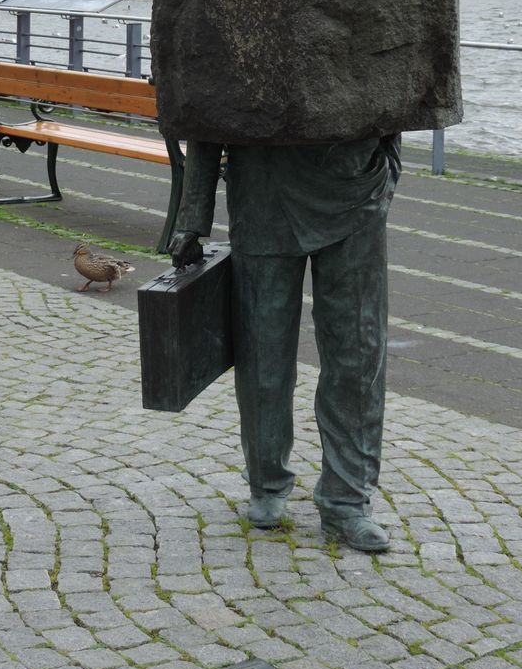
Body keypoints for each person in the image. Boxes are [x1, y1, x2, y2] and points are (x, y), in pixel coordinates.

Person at [170, 133, 402, 553]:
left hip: (355, 187)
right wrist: (192, 215)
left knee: (359, 350)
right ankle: (266, 481)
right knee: (263, 349)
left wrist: (386, 174)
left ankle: (348, 499)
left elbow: (397, 92)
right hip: (264, 190)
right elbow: (205, 100)